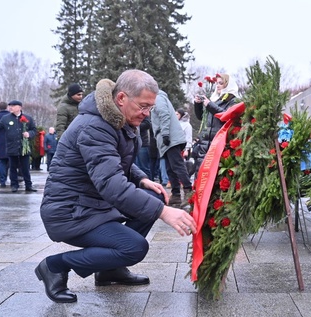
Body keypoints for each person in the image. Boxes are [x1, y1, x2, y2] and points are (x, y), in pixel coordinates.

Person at [35, 69, 196, 303]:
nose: (146, 114)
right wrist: (163, 213)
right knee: (134, 247)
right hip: (70, 212)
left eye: (150, 107)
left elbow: (118, 161)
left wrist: (142, 179)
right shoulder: (95, 126)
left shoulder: (118, 118)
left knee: (154, 195)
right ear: (121, 98)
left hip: (92, 205)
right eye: (143, 106)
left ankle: (109, 270)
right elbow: (112, 185)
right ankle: (54, 266)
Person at [151, 90, 193, 207]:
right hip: (169, 139)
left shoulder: (158, 98)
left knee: (177, 166)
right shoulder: (157, 99)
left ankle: (188, 192)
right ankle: (175, 196)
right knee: (170, 168)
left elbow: (164, 114)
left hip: (170, 139)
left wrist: (165, 134)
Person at [193, 73, 239, 174]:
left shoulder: (233, 100)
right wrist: (198, 104)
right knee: (200, 171)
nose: (217, 85)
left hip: (219, 141)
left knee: (213, 174)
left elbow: (226, 115)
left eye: (221, 83)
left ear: (228, 84)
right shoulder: (214, 98)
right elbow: (201, 117)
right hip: (205, 140)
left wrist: (209, 105)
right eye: (217, 83)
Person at [0, 100, 38, 193]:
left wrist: (29, 134)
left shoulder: (27, 118)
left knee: (25, 168)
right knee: (12, 167)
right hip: (11, 146)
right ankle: (14, 185)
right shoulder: (6, 118)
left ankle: (28, 185)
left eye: (13, 106)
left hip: (24, 148)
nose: (10, 107)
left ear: (20, 107)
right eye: (10, 106)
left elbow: (34, 130)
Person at [176, 108, 194, 176]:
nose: (175, 116)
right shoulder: (175, 123)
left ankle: (182, 180)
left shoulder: (187, 125)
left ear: (181, 115)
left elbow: (188, 138)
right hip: (175, 147)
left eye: (177, 114)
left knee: (182, 165)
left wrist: (187, 149)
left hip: (183, 148)